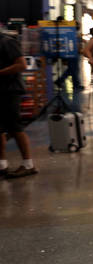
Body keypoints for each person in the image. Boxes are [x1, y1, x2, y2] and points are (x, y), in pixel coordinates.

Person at [0, 24, 36, 178]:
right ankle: (2, 164)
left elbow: (21, 64)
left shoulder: (7, 42)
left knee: (15, 127)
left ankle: (28, 164)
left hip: (10, 90)